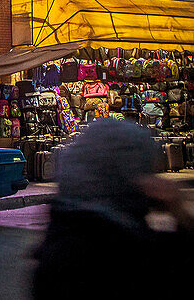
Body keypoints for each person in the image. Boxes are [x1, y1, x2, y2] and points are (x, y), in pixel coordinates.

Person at [33, 119, 192, 298]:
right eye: (144, 171)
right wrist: (178, 210)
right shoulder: (126, 250)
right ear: (126, 172)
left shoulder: (63, 230)